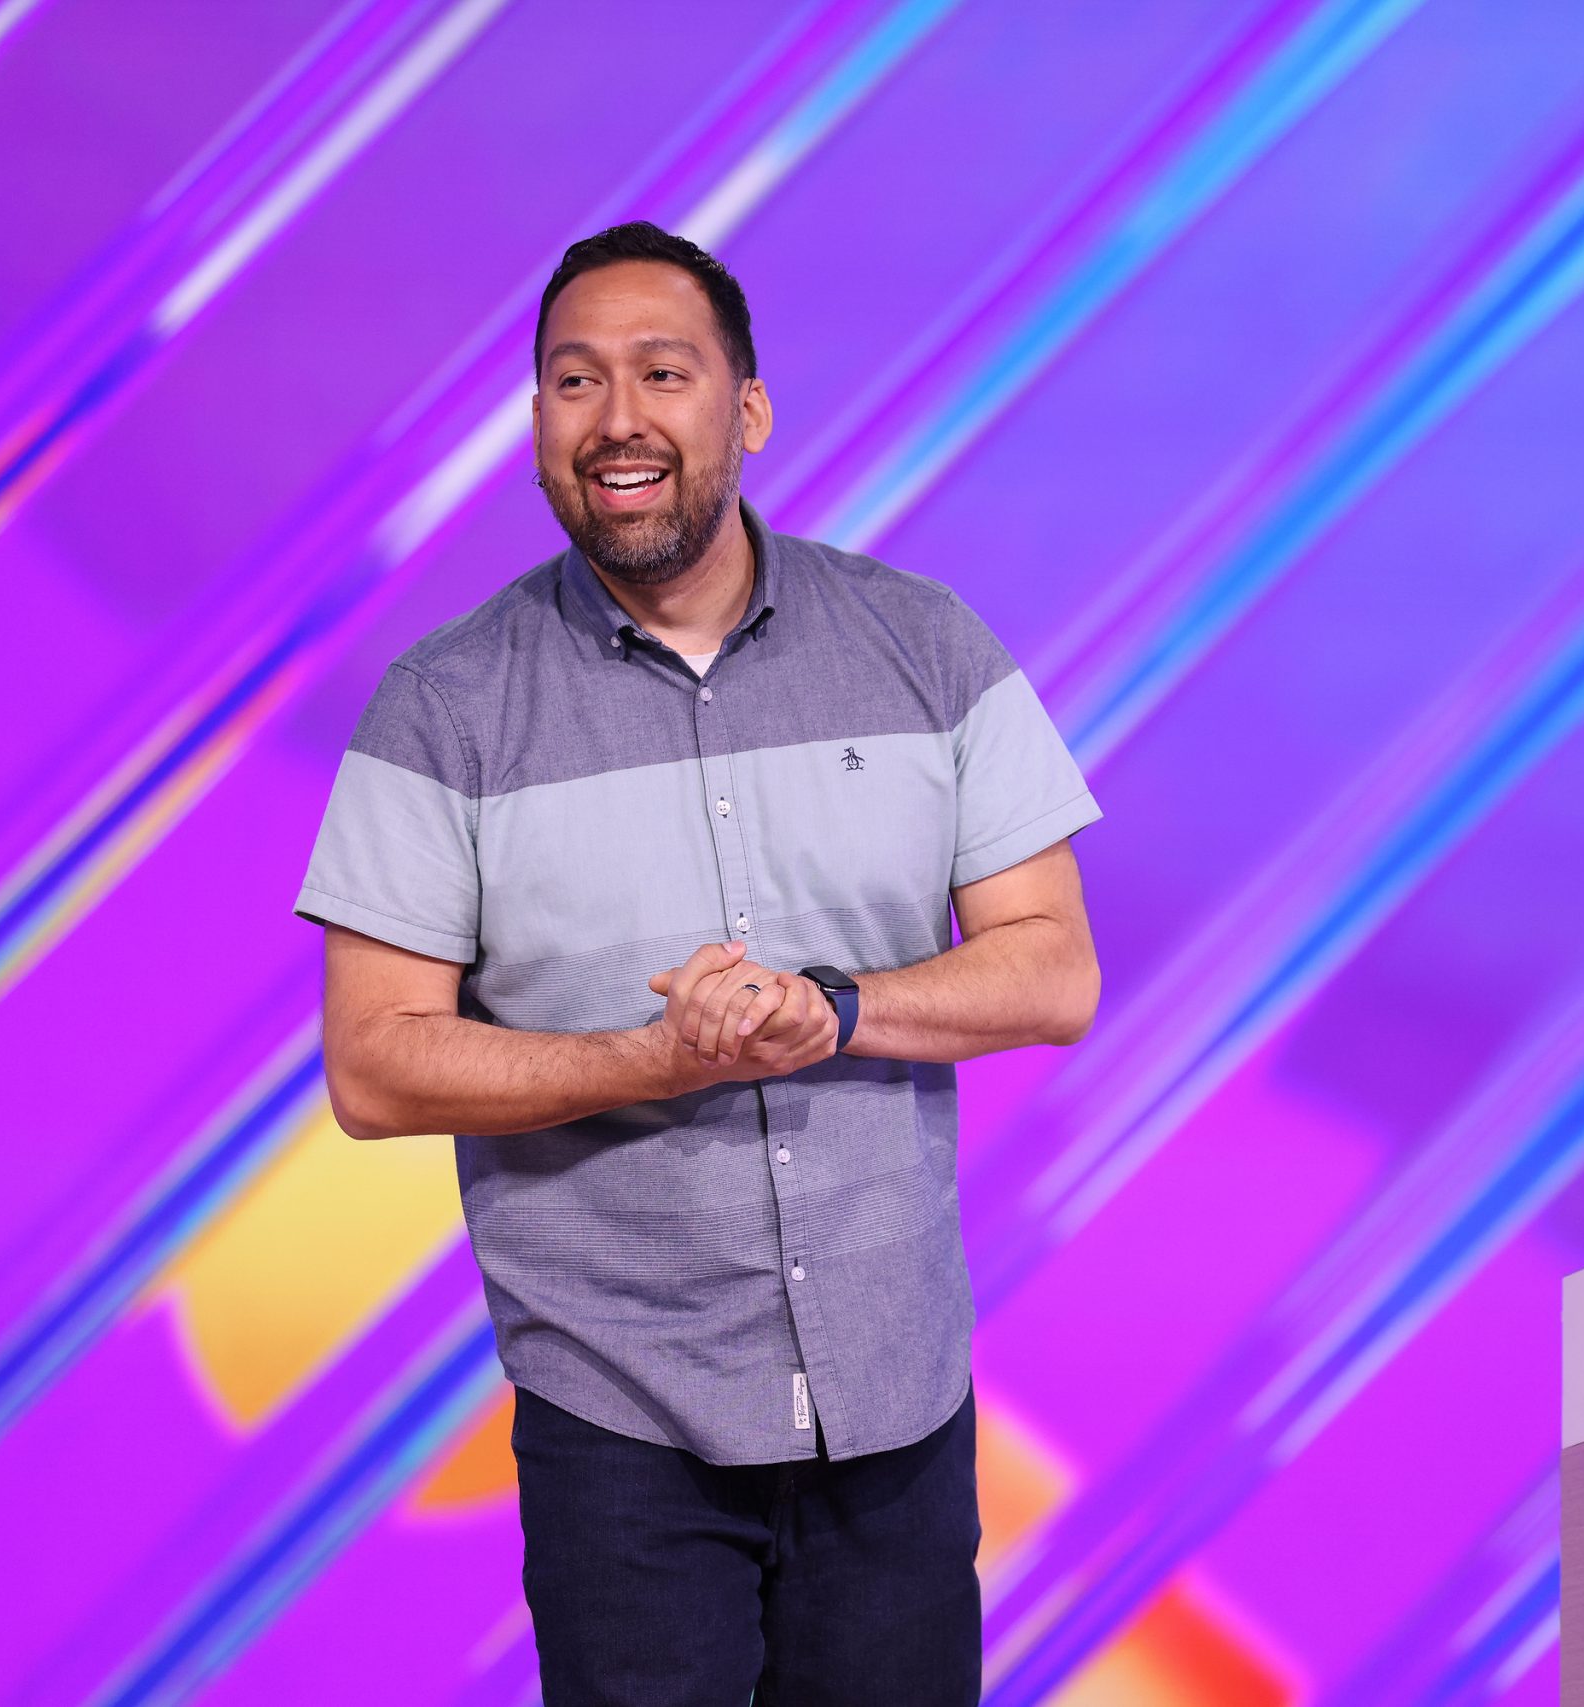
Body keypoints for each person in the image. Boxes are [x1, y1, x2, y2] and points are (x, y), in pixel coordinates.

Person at [292, 221, 1102, 1705]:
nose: (618, 421)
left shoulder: (926, 646)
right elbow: (374, 1062)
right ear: (537, 423)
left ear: (748, 406)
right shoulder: (441, 710)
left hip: (898, 1407)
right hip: (622, 1427)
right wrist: (645, 1063)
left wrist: (835, 1010)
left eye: (664, 373)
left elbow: (1052, 971)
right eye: (573, 381)